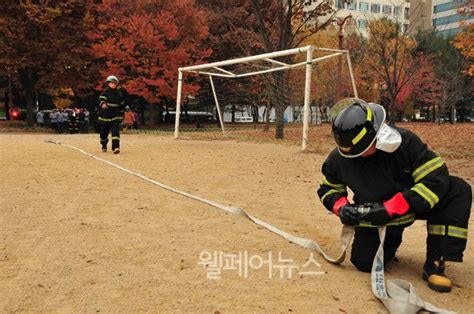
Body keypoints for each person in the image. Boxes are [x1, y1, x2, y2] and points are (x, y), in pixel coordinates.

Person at [317, 98, 471, 293]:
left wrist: (393, 207)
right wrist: (341, 207)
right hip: (378, 215)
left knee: (457, 189)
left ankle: (436, 260)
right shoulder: (338, 160)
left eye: (363, 150)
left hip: (414, 204)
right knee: (364, 262)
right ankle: (390, 242)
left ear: (377, 134)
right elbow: (328, 188)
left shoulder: (406, 144)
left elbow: (436, 178)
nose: (359, 156)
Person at [98, 75, 124, 154]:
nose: (113, 85)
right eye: (111, 83)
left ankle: (115, 147)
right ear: (108, 84)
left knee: (115, 132)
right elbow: (101, 99)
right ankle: (104, 144)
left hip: (115, 116)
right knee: (103, 134)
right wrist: (103, 104)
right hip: (105, 116)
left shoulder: (119, 94)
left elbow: (121, 105)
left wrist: (122, 114)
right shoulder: (105, 92)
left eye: (114, 83)